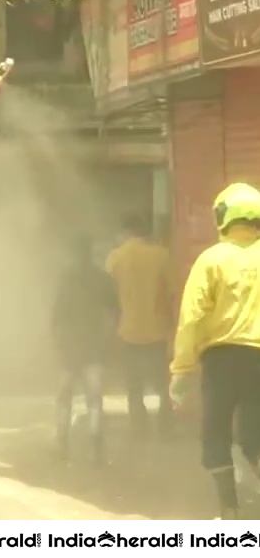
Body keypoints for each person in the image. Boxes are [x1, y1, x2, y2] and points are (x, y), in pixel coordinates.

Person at [169, 182, 260, 520]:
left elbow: (191, 318)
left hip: (222, 360)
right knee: (255, 437)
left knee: (216, 434)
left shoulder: (211, 260)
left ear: (223, 216)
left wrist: (181, 369)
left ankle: (230, 511)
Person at [106, 214, 175, 436]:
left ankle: (138, 426)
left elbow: (109, 296)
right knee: (161, 382)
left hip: (127, 329)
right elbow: (171, 292)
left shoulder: (115, 258)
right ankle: (164, 426)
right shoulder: (161, 256)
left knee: (133, 383)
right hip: (157, 329)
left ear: (126, 231)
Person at [52, 237, 119, 465]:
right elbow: (113, 313)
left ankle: (62, 444)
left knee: (64, 398)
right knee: (94, 398)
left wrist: (57, 342)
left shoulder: (65, 280)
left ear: (73, 254)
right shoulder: (103, 280)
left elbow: (57, 317)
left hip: (70, 347)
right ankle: (95, 447)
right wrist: (108, 340)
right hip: (94, 345)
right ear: (91, 253)